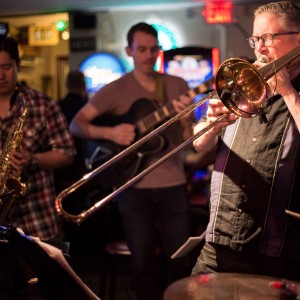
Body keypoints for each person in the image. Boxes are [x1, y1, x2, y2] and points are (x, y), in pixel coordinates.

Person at [70, 22, 194, 300]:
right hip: (133, 188)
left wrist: (187, 123)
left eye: (154, 49)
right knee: (142, 266)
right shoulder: (116, 89)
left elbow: (189, 141)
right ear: (129, 51)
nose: (149, 55)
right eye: (142, 49)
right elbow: (76, 125)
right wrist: (110, 131)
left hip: (174, 184)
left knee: (182, 262)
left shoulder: (177, 85)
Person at [192, 0, 300, 282]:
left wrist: (288, 92)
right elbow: (198, 145)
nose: (259, 48)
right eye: (255, 39)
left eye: (268, 38)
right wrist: (211, 125)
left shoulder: (294, 93)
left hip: (277, 250)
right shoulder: (241, 82)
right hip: (220, 241)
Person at [0, 36, 76, 241]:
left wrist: (32, 158)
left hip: (37, 221)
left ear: (18, 65)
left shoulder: (43, 104)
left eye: (6, 66)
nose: (0, 74)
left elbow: (67, 153)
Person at [55, 70, 88, 193]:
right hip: (82, 164)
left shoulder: (57, 106)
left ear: (67, 85)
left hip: (60, 168)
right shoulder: (88, 109)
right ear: (84, 85)